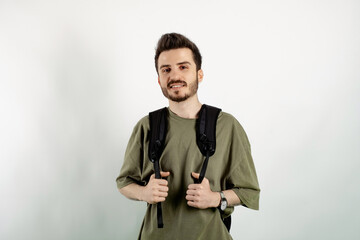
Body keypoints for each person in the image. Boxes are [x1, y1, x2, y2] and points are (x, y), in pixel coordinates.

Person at [116, 33, 260, 240]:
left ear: (199, 74)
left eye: (183, 67)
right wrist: (144, 193)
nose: (174, 76)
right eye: (166, 70)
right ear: (159, 79)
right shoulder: (146, 126)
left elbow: (249, 191)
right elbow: (124, 182)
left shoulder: (227, 126)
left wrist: (215, 198)